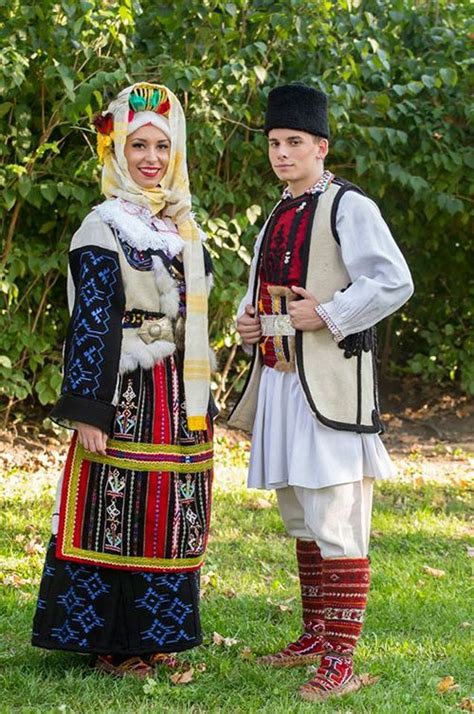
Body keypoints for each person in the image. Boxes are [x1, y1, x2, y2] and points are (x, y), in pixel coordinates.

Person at [229, 82, 414, 702]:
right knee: (300, 515)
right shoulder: (277, 213)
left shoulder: (349, 207)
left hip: (331, 386)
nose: (282, 153)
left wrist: (330, 313)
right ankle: (314, 635)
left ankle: (341, 657)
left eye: (294, 143)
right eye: (275, 143)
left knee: (336, 516)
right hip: (282, 384)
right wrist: (249, 320)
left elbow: (393, 281)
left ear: (321, 146)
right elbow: (259, 289)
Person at [32, 82, 215, 678]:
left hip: (178, 395)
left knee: (168, 513)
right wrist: (89, 408)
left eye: (162, 146)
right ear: (116, 151)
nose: (151, 159)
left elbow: (194, 319)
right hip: (125, 392)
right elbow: (92, 322)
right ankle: (111, 642)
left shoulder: (183, 229)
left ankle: (155, 635)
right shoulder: (102, 226)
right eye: (139, 145)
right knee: (117, 510)